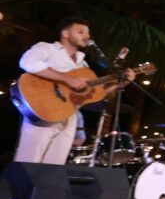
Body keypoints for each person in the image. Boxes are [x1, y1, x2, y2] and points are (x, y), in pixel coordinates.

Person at [14, 17, 134, 164]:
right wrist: (66, 79)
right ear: (65, 34)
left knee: (54, 167)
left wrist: (119, 85)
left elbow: (95, 94)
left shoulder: (82, 64)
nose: (87, 36)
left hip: (70, 116)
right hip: (44, 112)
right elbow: (27, 62)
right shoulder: (47, 48)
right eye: (81, 32)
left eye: (88, 33)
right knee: (27, 163)